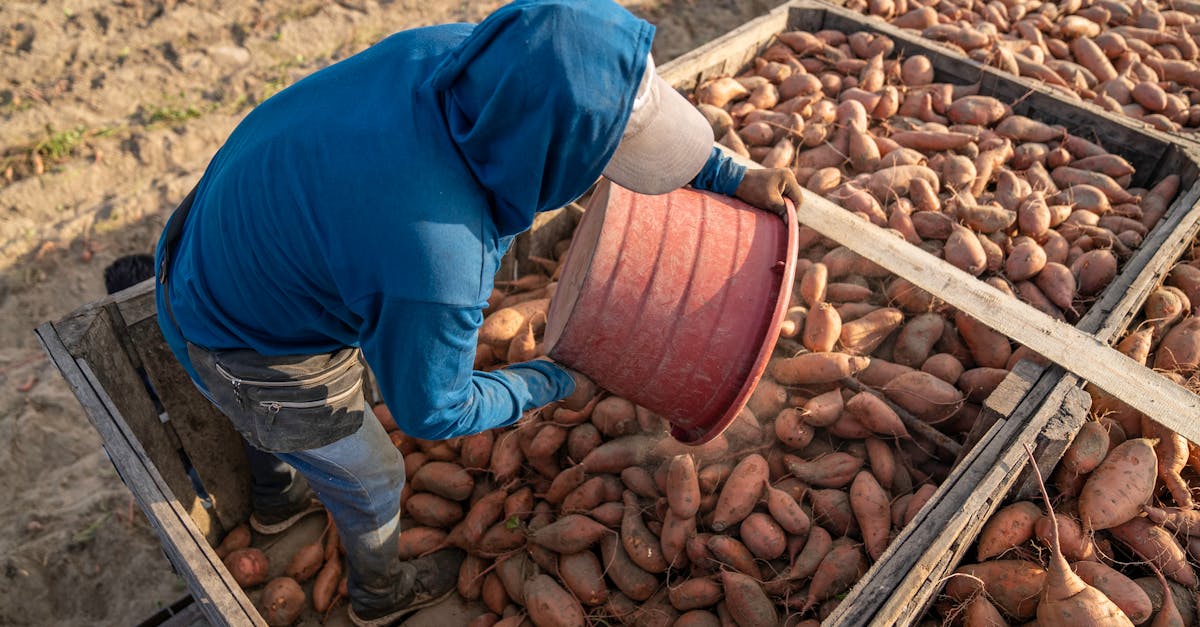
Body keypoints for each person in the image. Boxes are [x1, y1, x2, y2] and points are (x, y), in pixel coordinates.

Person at [153, 1, 802, 625]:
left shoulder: (475, 60)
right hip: (242, 338)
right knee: (376, 473)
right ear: (553, 153)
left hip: (229, 237)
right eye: (600, 163)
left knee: (291, 417)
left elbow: (609, 97)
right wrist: (550, 378)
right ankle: (378, 594)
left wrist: (724, 173)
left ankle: (277, 497)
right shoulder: (438, 256)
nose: (601, 175)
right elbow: (431, 412)